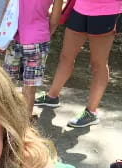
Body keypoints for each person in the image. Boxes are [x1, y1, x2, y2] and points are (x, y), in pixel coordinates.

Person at [35, 0, 122, 128]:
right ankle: (52, 97)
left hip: (106, 11)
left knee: (98, 64)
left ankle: (91, 112)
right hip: (80, 9)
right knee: (66, 56)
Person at [1, 0, 63, 119]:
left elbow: (7, 11)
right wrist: (43, 34)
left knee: (7, 81)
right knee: (30, 86)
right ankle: (25, 124)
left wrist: (3, 37)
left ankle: (5, 119)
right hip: (38, 38)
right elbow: (55, 20)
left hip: (14, 36)